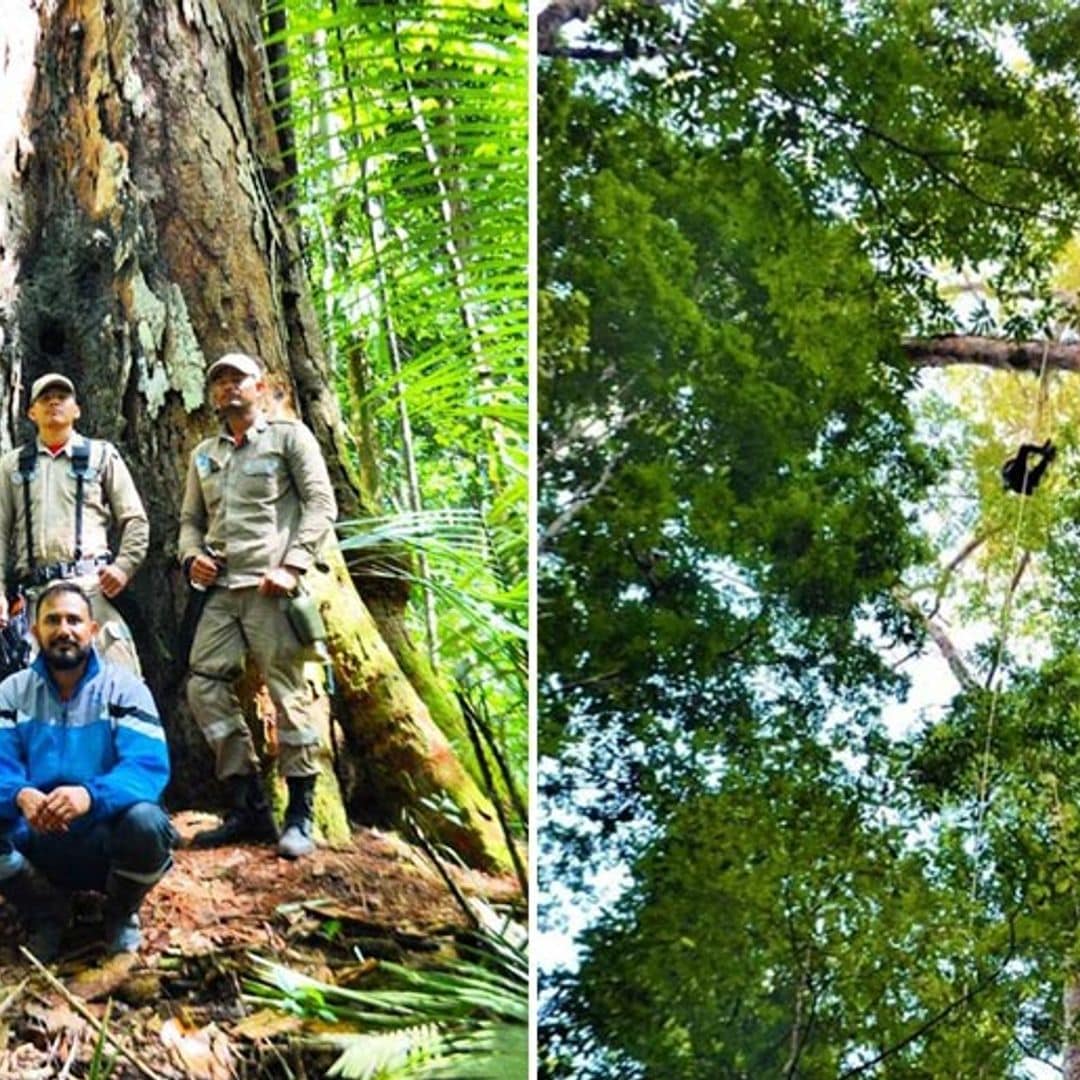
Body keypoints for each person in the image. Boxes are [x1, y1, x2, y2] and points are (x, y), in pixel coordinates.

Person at [179, 353, 336, 859]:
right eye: (219, 381)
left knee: (288, 693)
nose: (227, 388)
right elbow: (190, 521)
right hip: (222, 590)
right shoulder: (205, 453)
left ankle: (301, 813)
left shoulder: (290, 437)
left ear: (260, 386)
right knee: (203, 683)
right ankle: (249, 806)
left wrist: (292, 564)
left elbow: (320, 504)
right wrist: (191, 556)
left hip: (272, 588)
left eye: (237, 379)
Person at [0, 581, 173, 961]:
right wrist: (19, 794)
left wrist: (90, 796)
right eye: (53, 620)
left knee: (148, 823)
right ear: (34, 630)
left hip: (104, 837)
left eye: (74, 620)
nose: (65, 629)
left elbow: (147, 767)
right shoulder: (12, 692)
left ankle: (120, 912)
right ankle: (46, 913)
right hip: (35, 840)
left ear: (92, 631)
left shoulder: (125, 689)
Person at [0, 373, 149, 673]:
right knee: (34, 693)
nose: (54, 402)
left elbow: (135, 519)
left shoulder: (101, 456)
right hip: (36, 596)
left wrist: (123, 567)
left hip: (92, 588)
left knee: (119, 682)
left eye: (62, 396)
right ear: (31, 412)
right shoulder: (12, 465)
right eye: (44, 398)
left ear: (77, 409)